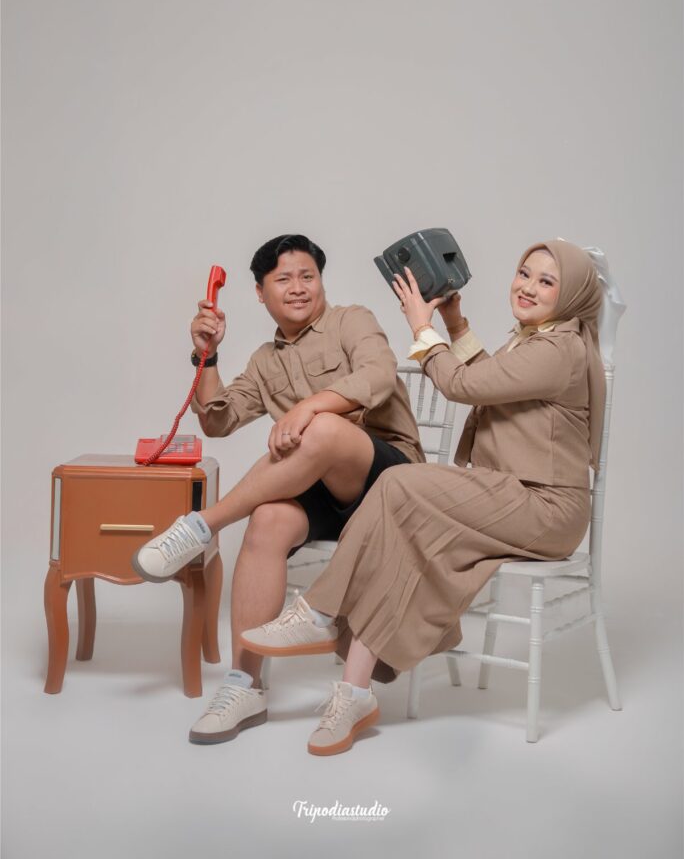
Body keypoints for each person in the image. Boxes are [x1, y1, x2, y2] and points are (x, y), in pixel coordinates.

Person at [239, 239, 606, 756]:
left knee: (397, 484)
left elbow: (462, 384)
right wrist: (454, 322)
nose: (527, 287)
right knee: (407, 528)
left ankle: (319, 612)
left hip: (545, 506)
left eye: (547, 281)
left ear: (571, 295)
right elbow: (492, 376)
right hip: (510, 493)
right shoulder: (535, 340)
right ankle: (354, 693)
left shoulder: (559, 348)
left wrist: (420, 326)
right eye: (524, 273)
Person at [131, 234, 424, 744]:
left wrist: (308, 407)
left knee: (324, 428)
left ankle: (202, 526)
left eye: (308, 276)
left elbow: (378, 376)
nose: (298, 287)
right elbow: (218, 421)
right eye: (284, 279)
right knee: (267, 519)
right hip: (329, 493)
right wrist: (207, 356)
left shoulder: (351, 320)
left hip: (390, 479)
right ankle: (245, 685)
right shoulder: (265, 361)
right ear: (260, 292)